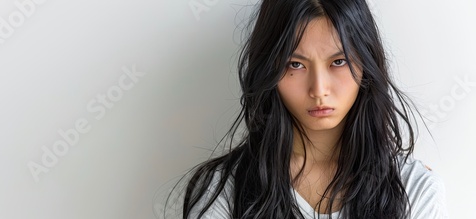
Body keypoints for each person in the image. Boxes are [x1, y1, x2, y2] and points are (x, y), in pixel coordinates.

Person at [179, 0, 448, 218]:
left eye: (339, 61)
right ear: (269, 70)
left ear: (366, 64)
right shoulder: (224, 190)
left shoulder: (415, 190)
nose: (319, 89)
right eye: (295, 64)